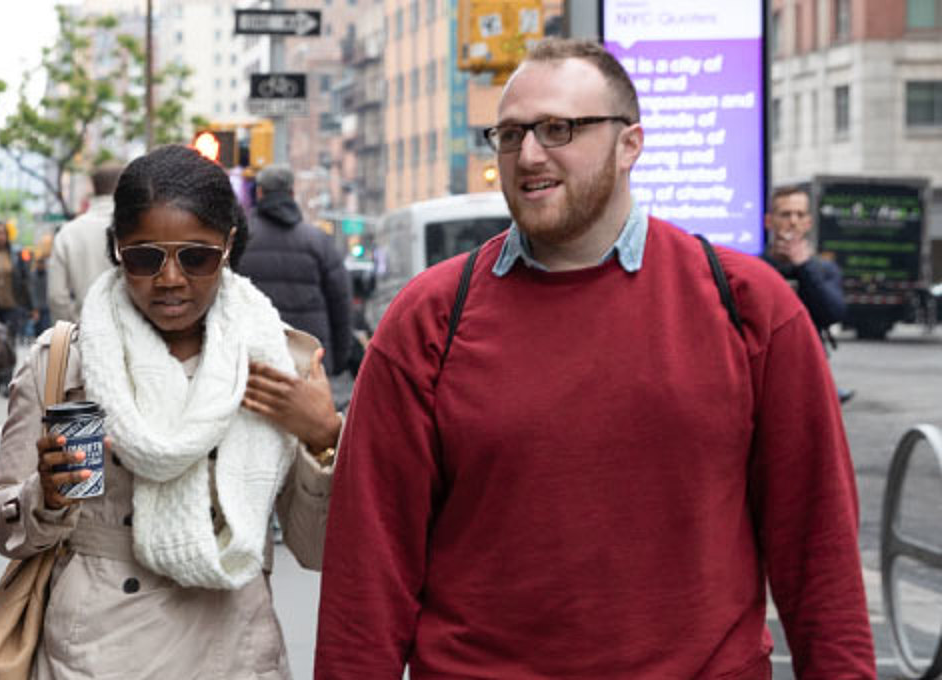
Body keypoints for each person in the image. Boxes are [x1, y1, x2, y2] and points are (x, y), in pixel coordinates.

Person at [314, 39, 873, 676]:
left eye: (559, 129)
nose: (528, 155)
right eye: (511, 133)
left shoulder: (749, 307)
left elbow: (819, 550)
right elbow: (369, 571)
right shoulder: (426, 321)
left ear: (630, 144)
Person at [0, 145, 340, 678]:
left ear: (228, 246)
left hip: (234, 650)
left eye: (196, 257)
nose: (170, 279)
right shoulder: (64, 363)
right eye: (146, 257)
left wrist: (322, 439)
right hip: (96, 653)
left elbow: (315, 551)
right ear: (118, 250)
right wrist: (47, 497)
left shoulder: (276, 364)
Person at [233, 166, 355, 376]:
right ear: (292, 193)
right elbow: (341, 304)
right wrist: (339, 357)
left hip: (253, 360)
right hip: (310, 362)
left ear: (260, 192)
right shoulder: (319, 242)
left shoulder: (240, 241)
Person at [765, 184, 854, 403]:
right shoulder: (754, 267)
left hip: (810, 370)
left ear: (808, 222)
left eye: (799, 214)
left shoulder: (825, 270)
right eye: (785, 214)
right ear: (769, 221)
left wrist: (805, 267)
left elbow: (833, 313)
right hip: (764, 371)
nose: (792, 221)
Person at [47, 164, 123, 324]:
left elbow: (56, 296)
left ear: (94, 187)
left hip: (85, 330)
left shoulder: (67, 232)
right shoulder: (136, 227)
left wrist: (74, 324)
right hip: (132, 333)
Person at [0, 220, 31, 396]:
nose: (1, 236)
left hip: (13, 306)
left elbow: (25, 282)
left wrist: (29, 306)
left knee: (10, 344)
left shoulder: (16, 256)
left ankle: (8, 382)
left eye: (4, 233)